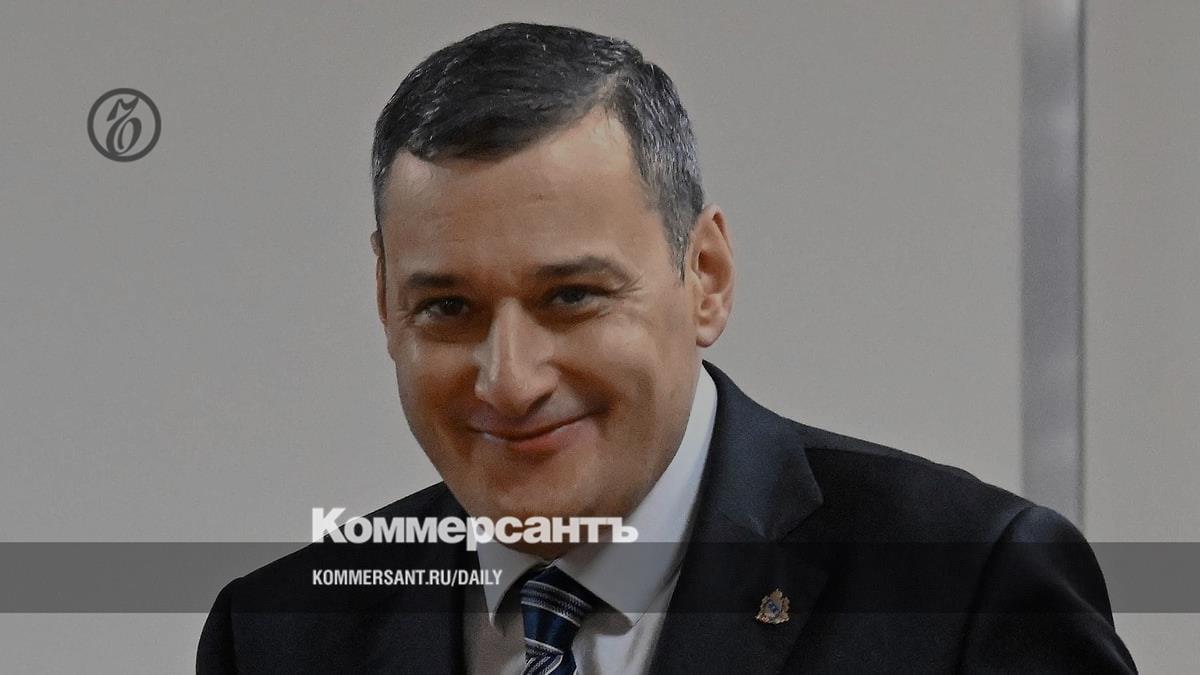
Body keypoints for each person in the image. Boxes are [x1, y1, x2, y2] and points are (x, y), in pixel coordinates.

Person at [198, 22, 1135, 673]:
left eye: (572, 296)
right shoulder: (280, 634)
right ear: (383, 302)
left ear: (707, 276)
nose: (510, 379)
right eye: (448, 307)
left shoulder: (966, 589)